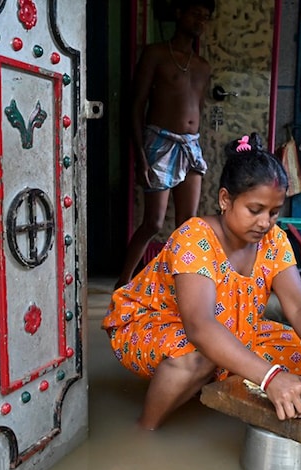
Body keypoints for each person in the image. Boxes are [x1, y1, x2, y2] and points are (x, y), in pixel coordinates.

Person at [102, 133, 301, 430]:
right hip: (151, 324)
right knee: (199, 356)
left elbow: (300, 305)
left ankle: (200, 389)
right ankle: (144, 430)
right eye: (255, 210)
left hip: (232, 327)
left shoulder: (273, 240)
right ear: (225, 199)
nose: (265, 222)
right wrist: (270, 378)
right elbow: (200, 326)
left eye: (274, 212)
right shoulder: (195, 238)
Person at [115, 0, 215, 289]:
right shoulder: (156, 54)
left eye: (205, 17)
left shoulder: (202, 66)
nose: (200, 21)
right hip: (159, 142)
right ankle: (123, 282)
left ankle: (180, 286)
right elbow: (136, 106)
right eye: (195, 12)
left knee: (187, 224)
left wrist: (196, 143)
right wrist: (140, 156)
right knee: (154, 223)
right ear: (179, 13)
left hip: (191, 146)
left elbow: (197, 110)